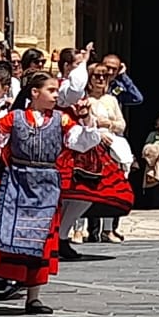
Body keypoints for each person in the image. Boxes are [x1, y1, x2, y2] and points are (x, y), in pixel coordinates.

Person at [0, 70, 101, 315]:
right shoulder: (13, 118)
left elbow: (82, 142)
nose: (56, 94)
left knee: (40, 239)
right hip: (16, 181)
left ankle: (33, 297)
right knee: (5, 236)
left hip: (46, 184)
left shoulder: (62, 119)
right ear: (35, 93)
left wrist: (87, 118)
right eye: (51, 90)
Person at [59, 62, 133, 256]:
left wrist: (102, 124)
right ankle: (66, 234)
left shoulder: (110, 99)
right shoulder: (70, 98)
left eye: (105, 76)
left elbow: (121, 122)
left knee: (86, 195)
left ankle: (63, 236)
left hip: (94, 150)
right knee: (67, 195)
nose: (101, 79)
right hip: (73, 150)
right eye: (97, 76)